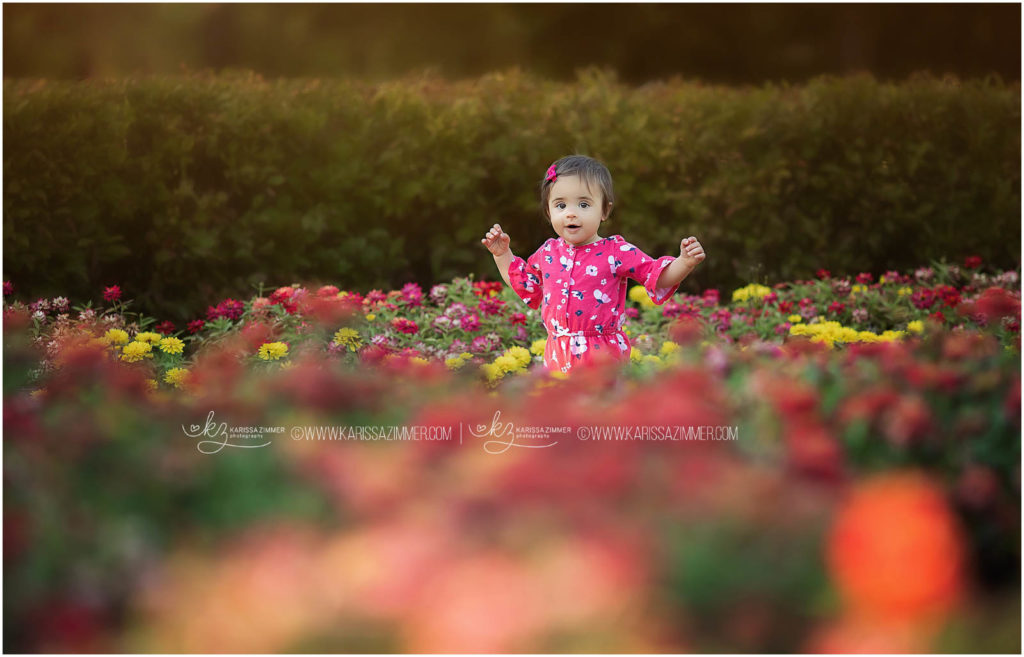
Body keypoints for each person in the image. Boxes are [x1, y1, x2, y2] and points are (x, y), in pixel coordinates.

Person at [481, 154, 706, 374]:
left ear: (604, 210)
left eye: (583, 204)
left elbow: (655, 275)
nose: (571, 213)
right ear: (549, 212)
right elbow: (525, 284)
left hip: (603, 355)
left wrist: (684, 262)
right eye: (561, 205)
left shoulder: (616, 252)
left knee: (602, 406)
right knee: (562, 406)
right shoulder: (548, 252)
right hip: (558, 352)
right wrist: (503, 255)